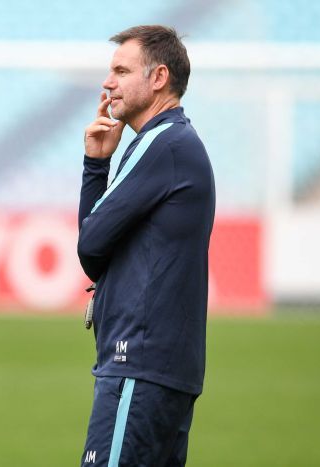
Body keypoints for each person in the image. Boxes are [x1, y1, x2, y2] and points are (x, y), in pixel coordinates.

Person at [77, 25, 215, 466]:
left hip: (138, 362)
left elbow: (91, 245)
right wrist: (99, 161)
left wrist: (95, 168)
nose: (107, 82)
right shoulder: (174, 142)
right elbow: (96, 248)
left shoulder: (160, 143)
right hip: (162, 366)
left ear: (158, 78)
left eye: (121, 70)